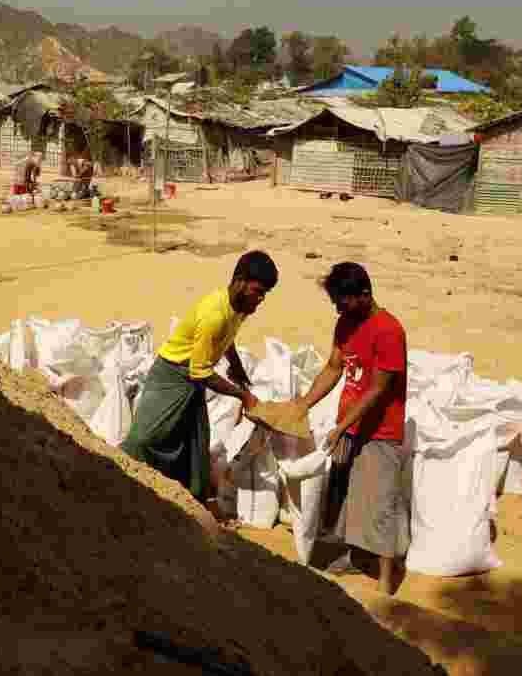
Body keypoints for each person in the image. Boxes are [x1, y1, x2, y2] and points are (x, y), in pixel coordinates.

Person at [121, 251, 278, 502]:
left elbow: (228, 337)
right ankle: (122, 479)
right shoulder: (213, 314)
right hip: (171, 376)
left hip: (192, 381)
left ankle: (182, 500)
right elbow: (201, 371)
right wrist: (242, 395)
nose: (260, 299)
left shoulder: (240, 308)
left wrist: (236, 366)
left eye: (264, 294)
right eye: (258, 291)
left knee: (193, 446)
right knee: (144, 439)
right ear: (239, 280)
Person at [295, 262, 409, 595]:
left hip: (379, 431)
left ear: (365, 294)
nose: (338, 309)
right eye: (336, 303)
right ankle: (353, 557)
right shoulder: (345, 324)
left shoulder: (389, 330)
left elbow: (379, 388)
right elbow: (333, 368)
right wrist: (304, 404)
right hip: (350, 427)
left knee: (379, 504)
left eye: (343, 302)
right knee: (346, 498)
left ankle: (388, 580)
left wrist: (343, 424)